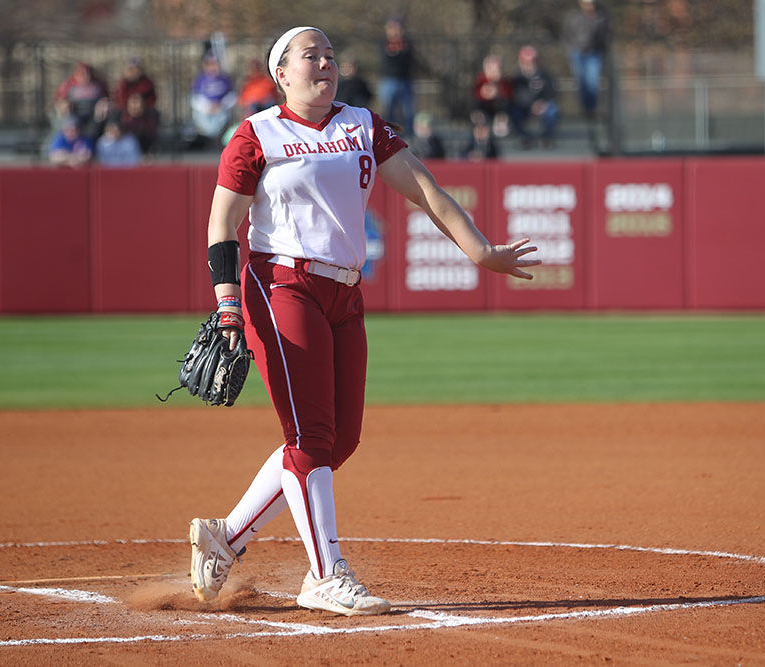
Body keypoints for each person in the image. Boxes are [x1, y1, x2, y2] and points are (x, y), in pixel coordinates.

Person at [188, 26, 539, 617]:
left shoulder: (362, 125)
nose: (325, 63)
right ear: (281, 74)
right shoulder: (256, 134)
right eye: (310, 56)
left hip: (344, 293)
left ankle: (225, 537)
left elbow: (423, 188)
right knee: (311, 439)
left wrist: (480, 251)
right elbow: (223, 224)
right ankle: (325, 575)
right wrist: (227, 301)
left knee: (337, 440)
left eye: (330, 55)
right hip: (281, 285)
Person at [563, 0, 610, 121]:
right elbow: (567, 35)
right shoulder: (574, 17)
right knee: (581, 82)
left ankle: (591, 109)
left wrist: (602, 52)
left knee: (593, 82)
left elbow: (605, 37)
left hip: (594, 54)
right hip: (578, 53)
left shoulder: (601, 17)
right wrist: (570, 50)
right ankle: (585, 109)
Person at [509, 45, 561, 149]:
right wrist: (530, 105)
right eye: (526, 62)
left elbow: (552, 93)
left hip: (543, 107)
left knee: (553, 110)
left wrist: (542, 103)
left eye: (532, 62)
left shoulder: (545, 76)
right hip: (524, 107)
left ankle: (546, 138)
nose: (530, 65)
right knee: (513, 112)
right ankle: (523, 138)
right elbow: (515, 97)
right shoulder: (516, 79)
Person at [377, 16, 416, 134]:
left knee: (408, 112)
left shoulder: (407, 44)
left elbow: (407, 59)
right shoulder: (383, 43)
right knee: (388, 111)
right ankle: (389, 134)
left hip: (405, 80)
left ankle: (409, 135)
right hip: (389, 81)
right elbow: (388, 59)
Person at [190, 54, 236, 145]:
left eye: (214, 64)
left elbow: (232, 96)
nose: (212, 67)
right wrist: (207, 107)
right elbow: (194, 98)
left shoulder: (225, 79)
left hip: (221, 111)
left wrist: (221, 105)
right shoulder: (200, 79)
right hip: (205, 113)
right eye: (209, 64)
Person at [53, 62, 108, 134]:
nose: (86, 76)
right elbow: (59, 100)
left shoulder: (98, 85)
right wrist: (64, 104)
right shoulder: (68, 85)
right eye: (82, 74)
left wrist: (103, 104)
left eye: (87, 74)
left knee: (94, 128)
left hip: (94, 114)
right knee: (70, 124)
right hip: (75, 113)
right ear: (76, 75)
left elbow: (107, 98)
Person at [471, 54, 512, 139]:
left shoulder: (505, 81)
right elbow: (476, 96)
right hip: (485, 109)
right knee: (478, 112)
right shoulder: (480, 80)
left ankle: (500, 126)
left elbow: (510, 96)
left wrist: (499, 92)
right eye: (492, 69)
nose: (495, 73)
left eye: (498, 70)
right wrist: (485, 94)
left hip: (500, 110)